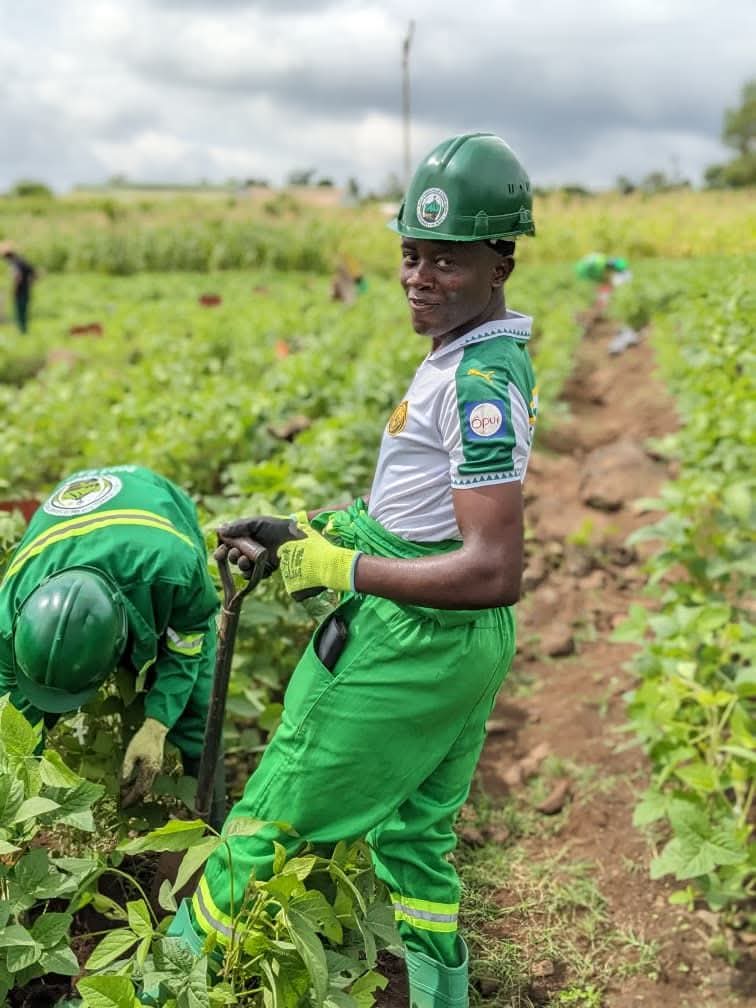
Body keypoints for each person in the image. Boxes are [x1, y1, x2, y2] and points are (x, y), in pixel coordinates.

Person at [165, 132, 539, 1008]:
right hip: (460, 646)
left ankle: (160, 986)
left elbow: (491, 567)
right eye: (411, 255)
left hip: (414, 639)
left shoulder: (480, 381)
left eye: (446, 260)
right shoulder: (468, 355)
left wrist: (342, 567)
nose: (420, 276)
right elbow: (416, 519)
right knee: (417, 838)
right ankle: (443, 997)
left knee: (268, 816)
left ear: (501, 261)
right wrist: (305, 528)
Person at [0, 465, 222, 817]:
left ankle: (211, 815)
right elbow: (13, 711)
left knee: (200, 704)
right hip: (78, 520)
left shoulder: (175, 569)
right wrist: (19, 798)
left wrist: (157, 724)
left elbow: (188, 643)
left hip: (156, 503)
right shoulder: (9, 611)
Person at [0, 241, 37, 333]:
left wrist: (14, 289)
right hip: (25, 290)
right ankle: (24, 331)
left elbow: (17, 277)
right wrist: (29, 284)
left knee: (20, 313)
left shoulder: (15, 263)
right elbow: (35, 273)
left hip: (20, 291)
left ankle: (22, 331)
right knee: (23, 311)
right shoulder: (22, 260)